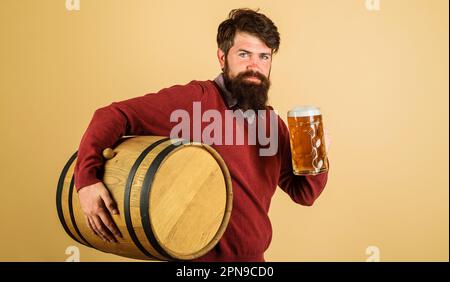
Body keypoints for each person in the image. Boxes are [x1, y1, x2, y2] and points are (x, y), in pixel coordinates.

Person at [74, 8, 330, 262]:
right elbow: (112, 115)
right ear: (222, 57)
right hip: (195, 262)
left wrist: (320, 153)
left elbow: (304, 194)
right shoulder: (196, 101)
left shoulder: (273, 125)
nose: (255, 66)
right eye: (244, 54)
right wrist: (86, 180)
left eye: (264, 57)